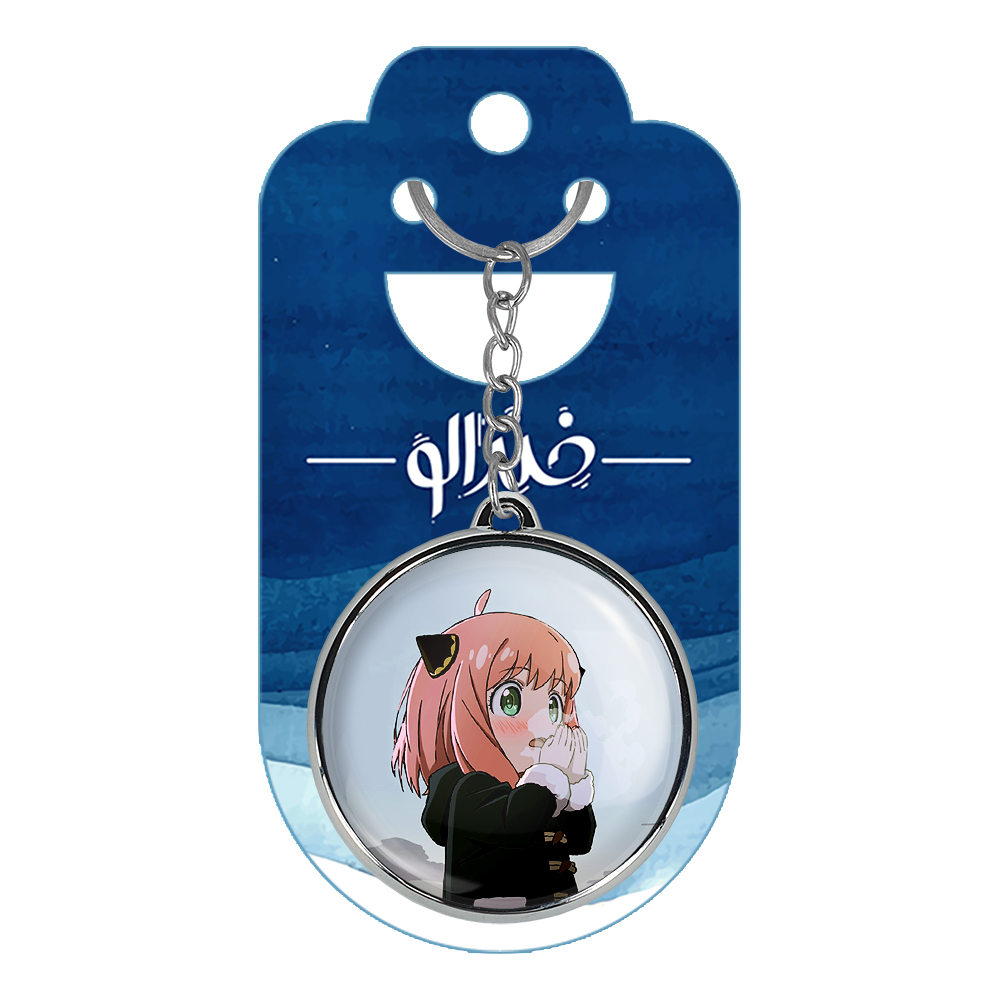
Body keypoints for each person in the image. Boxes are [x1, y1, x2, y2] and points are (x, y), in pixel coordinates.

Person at [391, 589, 596, 910]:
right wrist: (551, 778)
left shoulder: (539, 788)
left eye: (553, 706)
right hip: (489, 915)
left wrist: (574, 789)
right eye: (509, 701)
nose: (543, 726)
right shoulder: (461, 788)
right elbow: (515, 823)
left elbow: (581, 843)